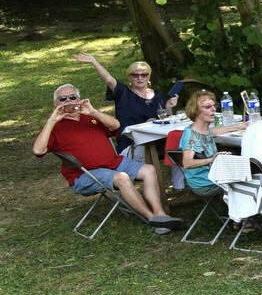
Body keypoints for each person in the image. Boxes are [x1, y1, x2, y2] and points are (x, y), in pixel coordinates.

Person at [33, 84, 183, 233]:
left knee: (149, 170)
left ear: (79, 99)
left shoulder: (89, 117)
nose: (69, 101)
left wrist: (93, 112)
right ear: (55, 103)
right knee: (122, 178)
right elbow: (38, 151)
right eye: (62, 98)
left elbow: (116, 126)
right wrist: (52, 121)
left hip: (113, 163)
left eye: (73, 97)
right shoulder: (54, 127)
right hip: (85, 174)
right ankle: (152, 219)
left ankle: (160, 214)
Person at [71, 52, 178, 151]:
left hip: (157, 140)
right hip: (132, 143)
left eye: (144, 75)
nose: (140, 78)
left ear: (149, 77)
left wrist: (168, 108)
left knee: (180, 146)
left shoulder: (158, 95)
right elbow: (109, 80)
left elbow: (165, 121)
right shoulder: (123, 92)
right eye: (135, 75)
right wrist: (94, 62)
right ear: (129, 78)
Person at [175, 90, 249, 195]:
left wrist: (238, 126)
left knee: (246, 170)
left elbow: (213, 131)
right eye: (207, 107)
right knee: (247, 176)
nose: (213, 109)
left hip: (213, 176)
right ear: (195, 111)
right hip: (204, 183)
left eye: (214, 105)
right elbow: (187, 163)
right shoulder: (192, 136)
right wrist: (211, 159)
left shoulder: (202, 129)